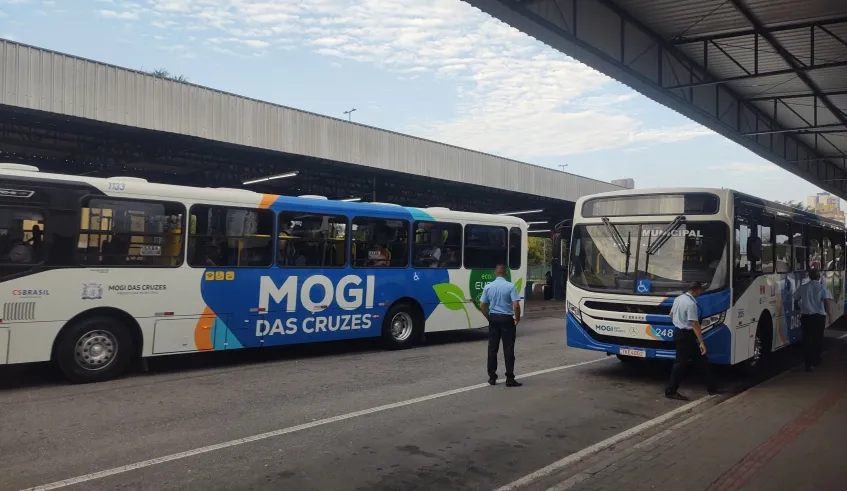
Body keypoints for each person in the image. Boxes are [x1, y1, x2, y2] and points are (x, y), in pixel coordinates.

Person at [665, 281, 721, 401]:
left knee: (701, 361)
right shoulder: (691, 304)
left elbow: (671, 314)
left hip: (679, 332)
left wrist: (679, 322)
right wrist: (701, 342)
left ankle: (712, 388)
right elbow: (695, 324)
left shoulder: (679, 298)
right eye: (700, 291)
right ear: (696, 290)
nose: (701, 293)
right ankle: (671, 390)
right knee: (680, 363)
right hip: (686, 335)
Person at [480, 265, 522, 387]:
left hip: (493, 318)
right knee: (508, 349)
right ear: (506, 273)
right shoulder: (510, 286)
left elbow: (482, 305)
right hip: (507, 319)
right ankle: (509, 378)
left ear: (495, 273)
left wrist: (489, 317)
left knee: (492, 348)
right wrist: (517, 319)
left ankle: (492, 377)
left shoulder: (488, 286)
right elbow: (516, 305)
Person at [793, 268, 832, 371]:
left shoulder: (803, 287)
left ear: (809, 276)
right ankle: (816, 360)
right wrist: (830, 315)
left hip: (806, 317)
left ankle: (807, 363)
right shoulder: (822, 288)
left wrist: (798, 308)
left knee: (807, 339)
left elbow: (796, 298)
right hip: (819, 317)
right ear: (819, 276)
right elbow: (826, 303)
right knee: (817, 339)